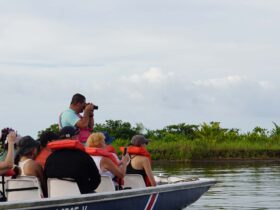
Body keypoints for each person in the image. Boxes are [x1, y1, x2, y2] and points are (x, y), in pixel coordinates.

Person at [44, 126, 101, 194]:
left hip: (56, 197)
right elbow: (96, 180)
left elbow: (46, 180)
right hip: (81, 197)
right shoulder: (83, 156)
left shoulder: (50, 158)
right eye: (76, 136)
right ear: (73, 138)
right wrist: (85, 189)